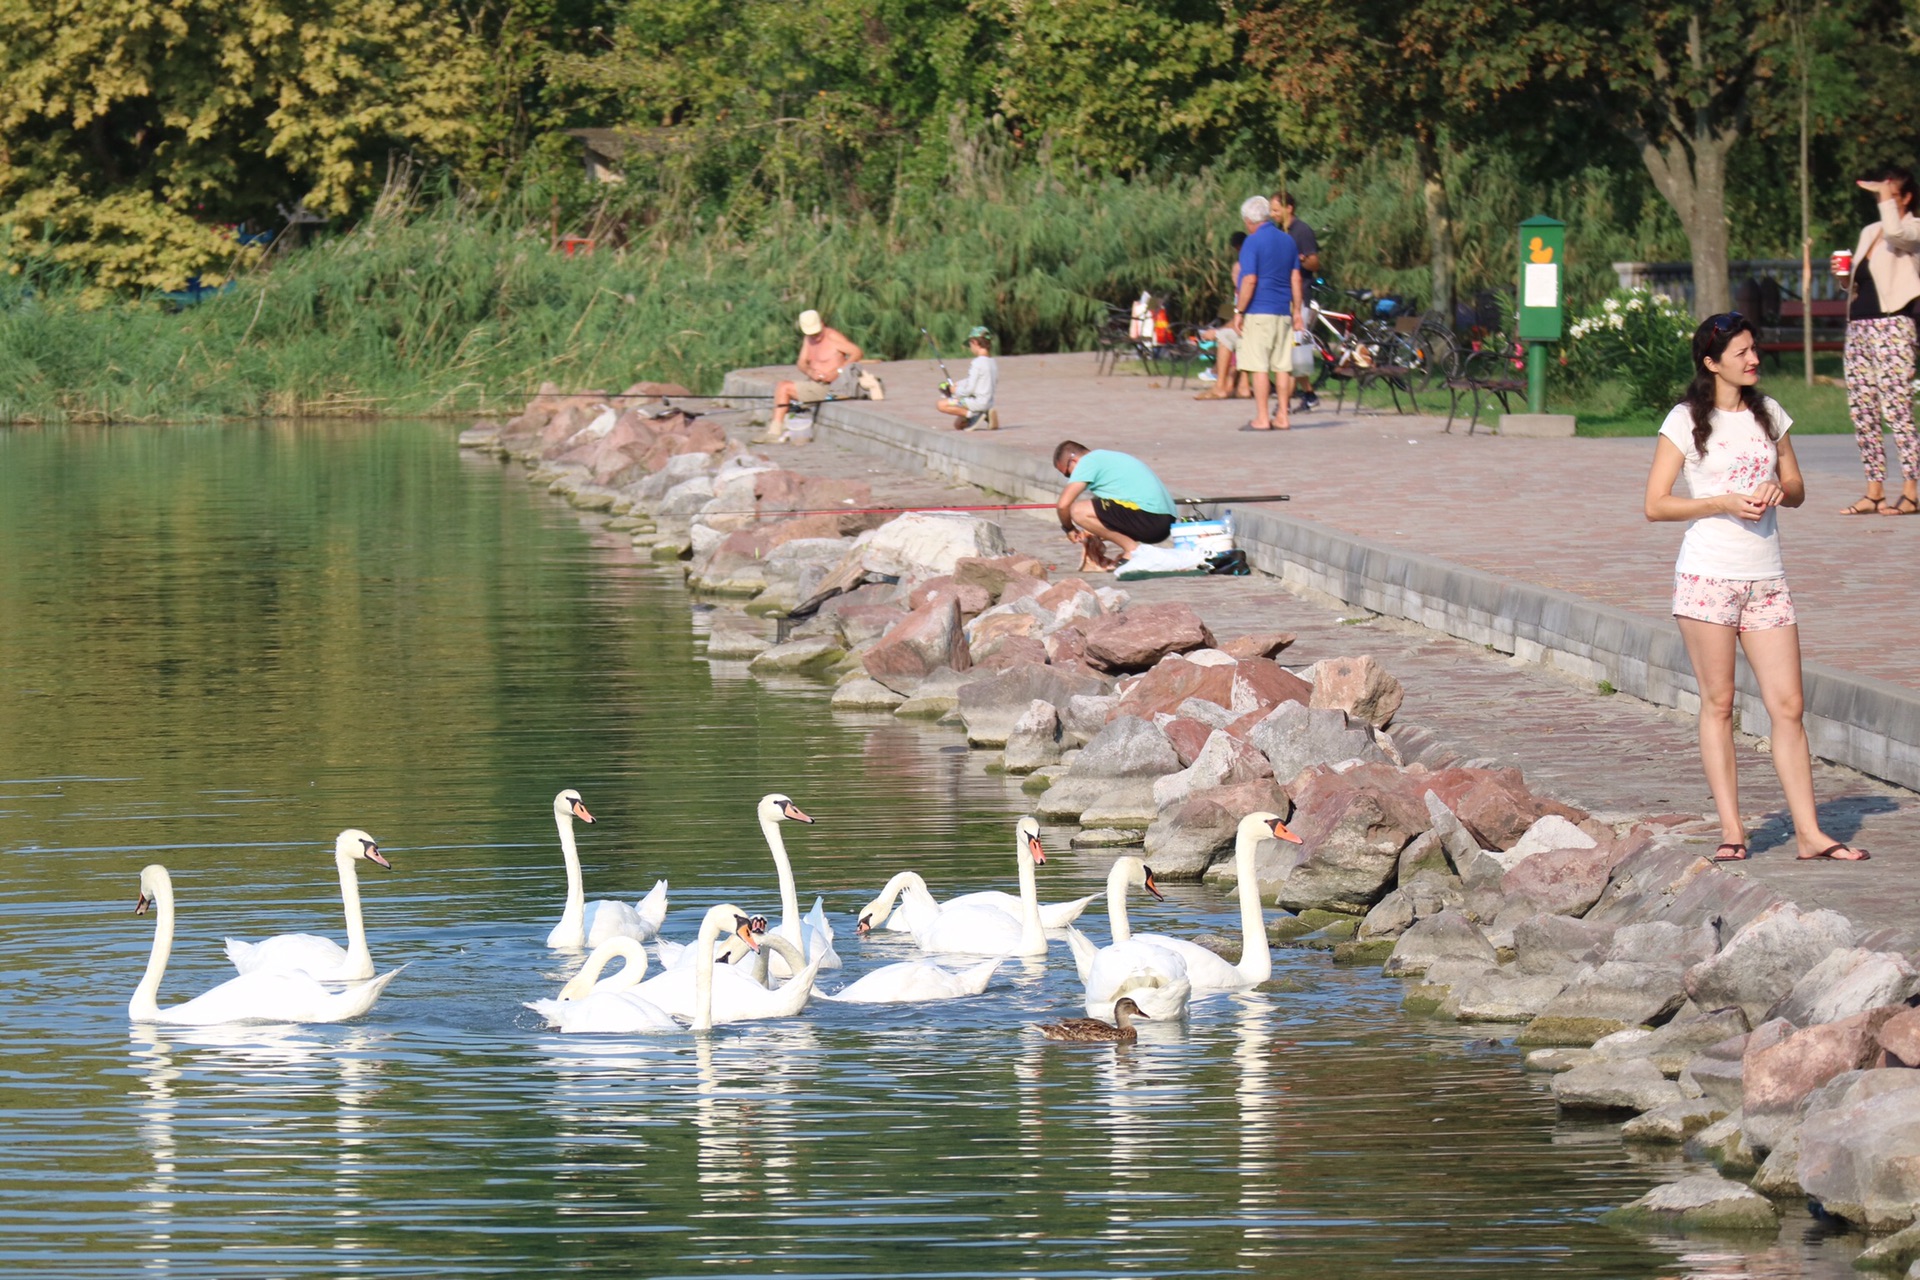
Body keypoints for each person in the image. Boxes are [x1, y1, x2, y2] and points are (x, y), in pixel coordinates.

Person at [1643, 313, 1867, 862]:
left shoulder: (1769, 414)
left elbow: (1797, 487)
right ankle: (1733, 830)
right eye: (1741, 352)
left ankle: (1810, 834)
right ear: (1712, 362)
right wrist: (1720, 501)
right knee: (1719, 704)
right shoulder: (1684, 421)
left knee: (1788, 706)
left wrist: (1777, 488)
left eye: (1754, 350)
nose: (1753, 360)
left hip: (1768, 579)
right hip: (1707, 579)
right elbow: (1655, 504)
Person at [1838, 168, 1920, 517]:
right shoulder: (1870, 231)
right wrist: (1843, 279)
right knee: (1863, 411)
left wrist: (1886, 195)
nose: (1880, 200)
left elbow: (1897, 233)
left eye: (1888, 194)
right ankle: (1874, 492)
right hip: (1859, 327)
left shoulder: (1914, 228)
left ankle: (1912, 490)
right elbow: (1856, 286)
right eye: (1878, 195)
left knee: (1897, 410)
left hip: (1894, 327)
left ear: (1905, 197)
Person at [1231, 195, 1305, 431]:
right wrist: (1297, 312)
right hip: (1283, 312)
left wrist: (1239, 311)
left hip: (1258, 312)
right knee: (1282, 366)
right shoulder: (1288, 241)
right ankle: (1283, 415)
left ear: (1250, 220)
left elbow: (1250, 280)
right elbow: (1296, 277)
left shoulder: (1252, 242)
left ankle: (1262, 418)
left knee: (1259, 366)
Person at [1052, 440, 1176, 572]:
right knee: (1093, 516)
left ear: (1074, 460)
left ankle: (1133, 551)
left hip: (1152, 518)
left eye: (1067, 473)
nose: (1070, 478)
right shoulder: (1107, 458)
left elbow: (1063, 505)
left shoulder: (1088, 461)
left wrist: (1069, 528)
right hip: (1163, 520)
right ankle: (1132, 551)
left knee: (1078, 510)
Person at [767, 309, 863, 443]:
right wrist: (810, 372)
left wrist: (838, 372)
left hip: (832, 386)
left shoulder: (832, 337)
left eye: (817, 332)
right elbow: (801, 363)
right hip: (816, 383)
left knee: (784, 387)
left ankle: (774, 431)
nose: (815, 336)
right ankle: (785, 425)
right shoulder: (808, 339)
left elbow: (857, 352)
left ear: (822, 323)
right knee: (783, 389)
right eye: (811, 333)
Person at [1271, 190, 1322, 411]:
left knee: (1292, 349)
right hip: (1283, 297)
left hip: (1300, 297)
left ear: (1288, 208)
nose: (1272, 214)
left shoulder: (1302, 231)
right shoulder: (1278, 232)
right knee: (1289, 350)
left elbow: (1314, 263)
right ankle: (1309, 395)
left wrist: (1299, 260)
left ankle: (1286, 403)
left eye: (1275, 209)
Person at [1195, 231, 1248, 401]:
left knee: (1226, 337)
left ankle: (1222, 385)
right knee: (1230, 337)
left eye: (1236, 274)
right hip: (1251, 329)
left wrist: (1215, 332)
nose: (1234, 277)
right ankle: (1238, 385)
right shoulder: (1241, 290)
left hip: (1252, 330)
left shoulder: (1247, 289)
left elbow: (1241, 320)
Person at [935, 326, 999, 430]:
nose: (970, 348)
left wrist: (955, 391)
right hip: (988, 402)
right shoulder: (992, 362)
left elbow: (969, 389)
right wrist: (957, 384)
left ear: (974, 342)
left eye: (970, 345)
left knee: (941, 405)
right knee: (958, 425)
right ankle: (985, 414)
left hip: (976, 403)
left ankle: (973, 415)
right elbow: (976, 381)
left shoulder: (977, 363)